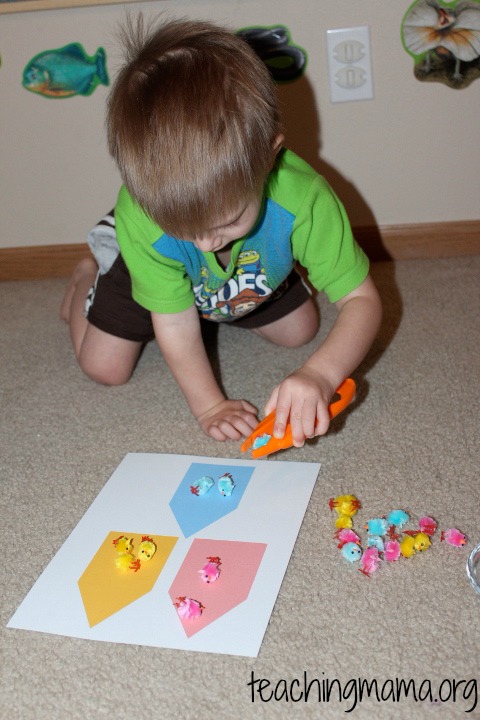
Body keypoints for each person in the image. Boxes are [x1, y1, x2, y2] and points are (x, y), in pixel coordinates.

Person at [61, 16, 382, 446]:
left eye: (227, 222)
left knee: (300, 332)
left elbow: (362, 300)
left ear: (269, 157)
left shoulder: (303, 198)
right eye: (184, 226)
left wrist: (320, 375)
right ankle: (89, 273)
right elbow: (173, 325)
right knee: (104, 368)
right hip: (153, 259)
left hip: (241, 271)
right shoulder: (144, 220)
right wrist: (210, 405)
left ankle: (214, 303)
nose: (205, 243)